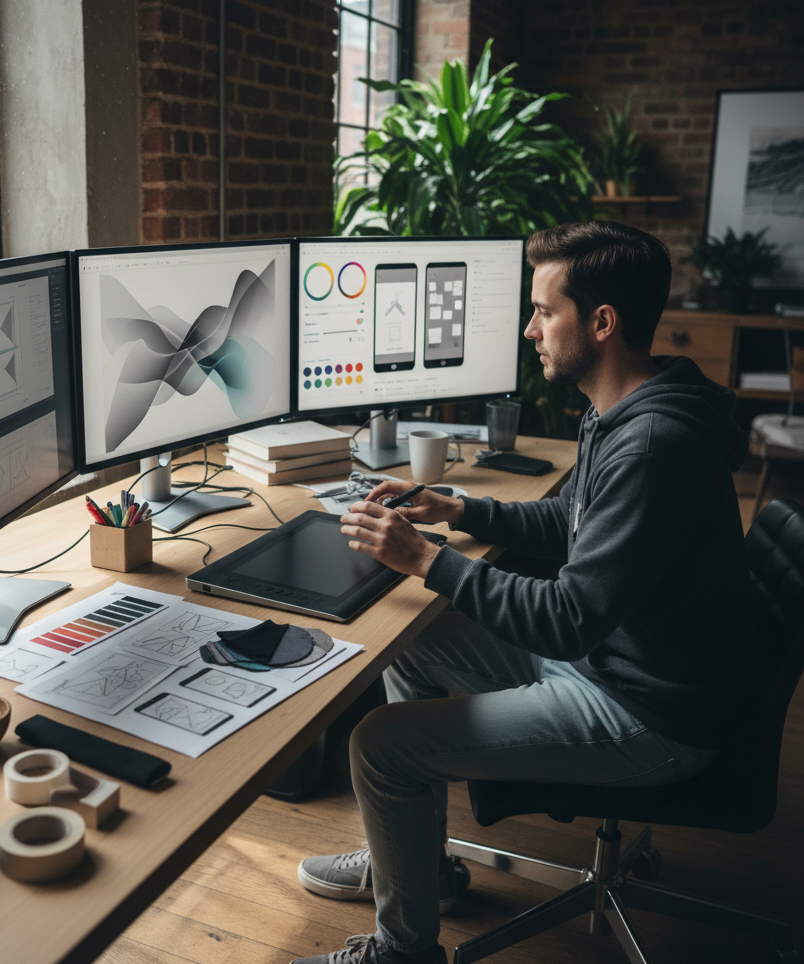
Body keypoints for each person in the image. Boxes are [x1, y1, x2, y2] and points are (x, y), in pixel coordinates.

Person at [290, 220, 750, 964]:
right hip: (618, 663)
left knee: (380, 746)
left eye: (545, 310)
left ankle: (403, 951)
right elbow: (578, 520)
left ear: (602, 323)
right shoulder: (626, 405)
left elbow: (568, 619)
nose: (530, 328)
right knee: (416, 630)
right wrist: (461, 509)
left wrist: (428, 559)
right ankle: (418, 868)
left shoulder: (653, 445)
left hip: (648, 713)